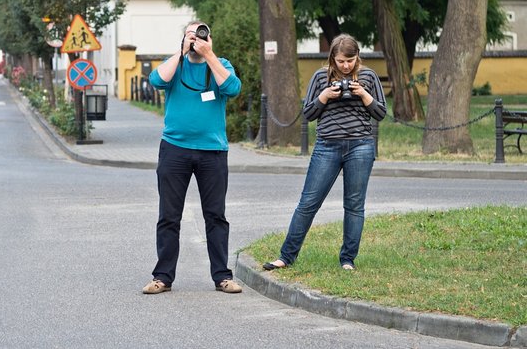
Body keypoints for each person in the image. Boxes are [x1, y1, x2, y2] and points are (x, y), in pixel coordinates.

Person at [263, 34, 386, 272]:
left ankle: (347, 260)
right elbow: (308, 114)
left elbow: (380, 112)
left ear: (357, 57)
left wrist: (363, 93)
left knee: (354, 205)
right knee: (308, 202)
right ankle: (286, 257)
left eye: (350, 60)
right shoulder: (321, 77)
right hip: (327, 146)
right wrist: (324, 96)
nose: (346, 66)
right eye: (340, 61)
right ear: (332, 58)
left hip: (360, 146)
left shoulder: (368, 76)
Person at [143, 21, 243, 294]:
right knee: (169, 216)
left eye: (202, 33)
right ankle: (162, 277)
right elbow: (157, 80)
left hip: (212, 151)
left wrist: (209, 55)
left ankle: (222, 276)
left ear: (210, 38)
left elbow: (233, 88)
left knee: (216, 216)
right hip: (175, 148)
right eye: (191, 34)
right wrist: (180, 51)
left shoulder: (220, 63)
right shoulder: (175, 64)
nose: (197, 38)